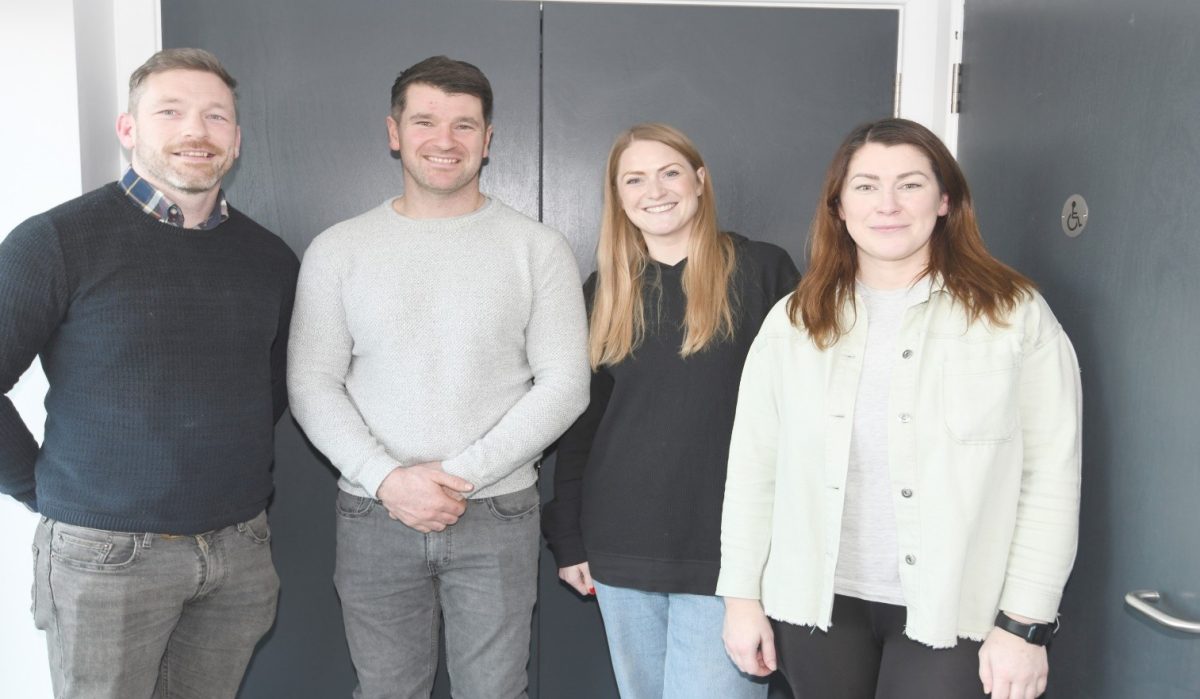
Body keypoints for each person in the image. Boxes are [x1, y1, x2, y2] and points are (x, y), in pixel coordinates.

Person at [718, 118, 1082, 699]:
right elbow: (753, 469)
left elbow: (1051, 480)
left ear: (945, 200)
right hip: (815, 606)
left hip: (957, 608)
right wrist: (741, 599)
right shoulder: (793, 322)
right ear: (839, 206)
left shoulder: (1014, 315)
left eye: (910, 184)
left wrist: (1025, 625)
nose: (887, 204)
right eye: (866, 186)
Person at [287, 55, 589, 699]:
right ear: (394, 132)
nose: (444, 140)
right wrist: (388, 479)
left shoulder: (537, 249)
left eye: (464, 125)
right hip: (374, 511)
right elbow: (312, 383)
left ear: (488, 139)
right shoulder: (338, 249)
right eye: (425, 121)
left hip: (498, 512)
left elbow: (566, 384)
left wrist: (457, 477)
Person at [0, 48, 298, 698]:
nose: (196, 130)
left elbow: (268, 391)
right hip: (105, 558)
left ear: (237, 140)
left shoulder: (270, 259)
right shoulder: (55, 242)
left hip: (238, 550)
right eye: (171, 111)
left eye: (216, 116)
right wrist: (43, 490)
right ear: (128, 128)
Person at [542, 123, 799, 698]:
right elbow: (583, 427)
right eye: (634, 179)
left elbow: (803, 413)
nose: (654, 191)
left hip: (729, 554)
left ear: (700, 181)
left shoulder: (762, 272)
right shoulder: (604, 290)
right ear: (618, 197)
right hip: (619, 547)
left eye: (670, 173)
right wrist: (570, 538)